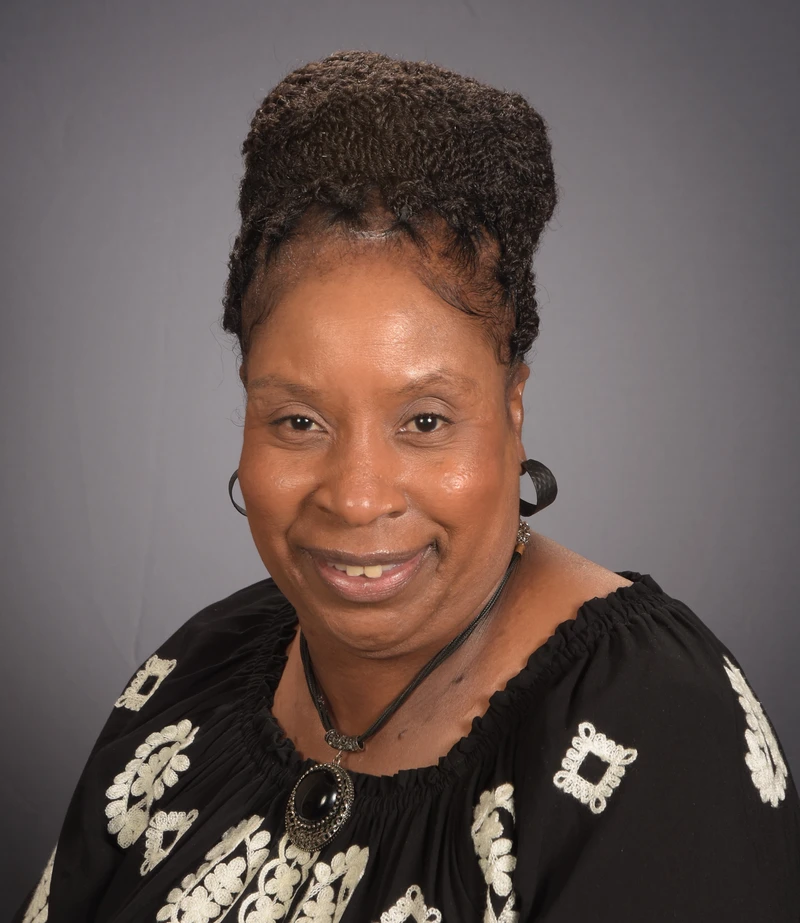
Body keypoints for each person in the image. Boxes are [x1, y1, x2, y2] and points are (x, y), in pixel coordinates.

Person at [15, 50, 799, 923]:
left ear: (513, 407)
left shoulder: (651, 731)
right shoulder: (193, 678)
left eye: (424, 421)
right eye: (298, 421)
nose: (356, 498)